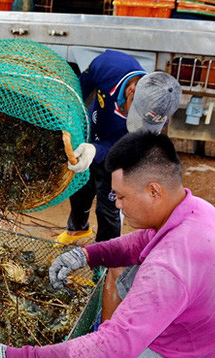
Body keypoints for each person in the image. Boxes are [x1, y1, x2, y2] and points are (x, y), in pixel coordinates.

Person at [0, 131, 215, 358]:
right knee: (118, 269)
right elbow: (143, 242)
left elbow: (116, 346)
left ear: (154, 191)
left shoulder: (169, 267)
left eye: (121, 197)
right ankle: (109, 344)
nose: (116, 204)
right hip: (201, 348)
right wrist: (86, 254)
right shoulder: (196, 209)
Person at [56, 51, 182, 246]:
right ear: (132, 90)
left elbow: (119, 148)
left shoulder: (152, 121)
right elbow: (80, 88)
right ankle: (77, 229)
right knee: (80, 189)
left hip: (115, 157)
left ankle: (104, 257)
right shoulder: (110, 65)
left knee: (109, 208)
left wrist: (95, 151)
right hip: (90, 132)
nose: (139, 125)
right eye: (136, 113)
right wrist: (71, 117)